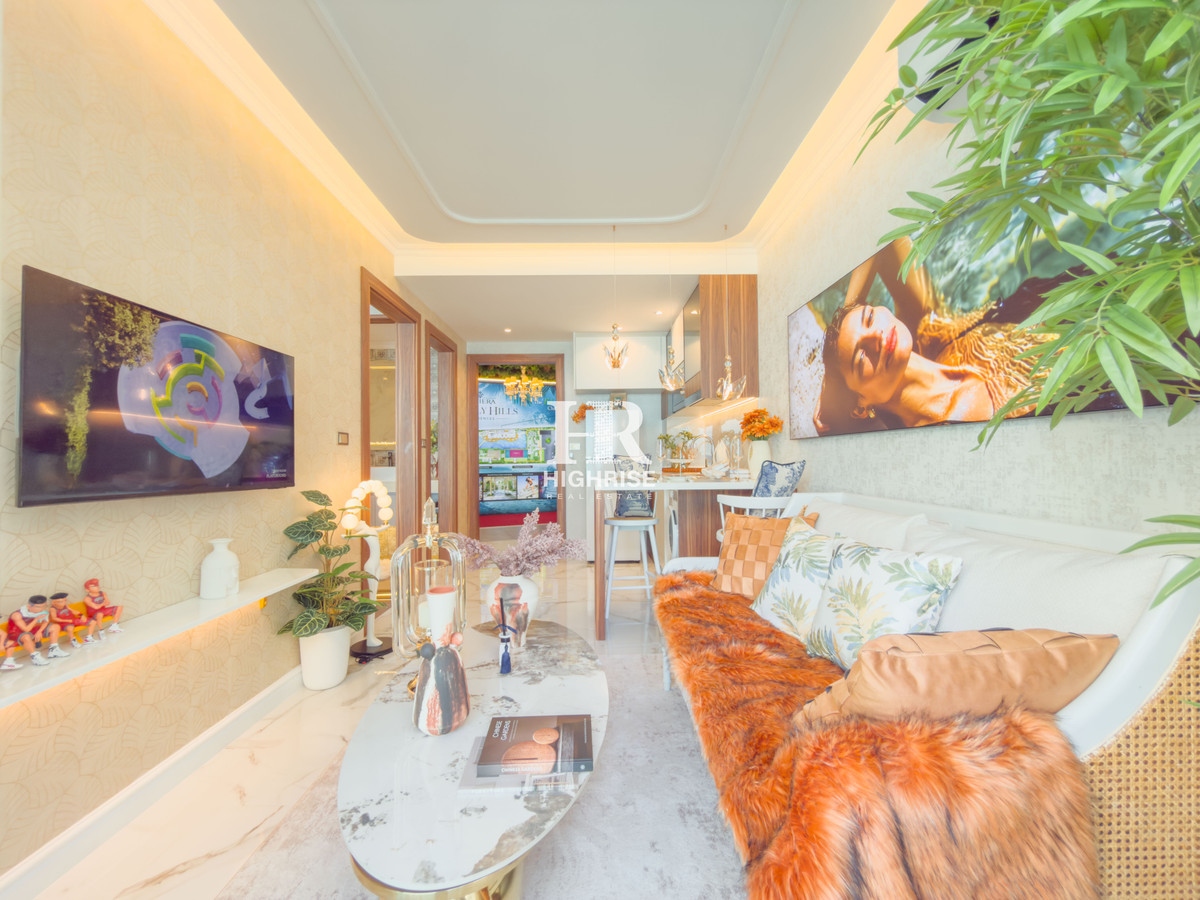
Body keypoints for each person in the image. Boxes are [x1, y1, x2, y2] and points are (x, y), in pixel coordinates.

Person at [814, 236, 1057, 436]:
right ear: (860, 406)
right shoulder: (941, 435)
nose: (876, 335)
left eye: (869, 317)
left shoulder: (933, 334)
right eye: (860, 357)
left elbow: (886, 240)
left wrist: (844, 327)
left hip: (1062, 296)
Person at [7, 595, 69, 666]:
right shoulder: (17, 615)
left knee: (55, 626)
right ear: (29, 606)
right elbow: (26, 629)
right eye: (38, 607)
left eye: (44, 606)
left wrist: (39, 632)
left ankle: (54, 649)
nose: (42, 609)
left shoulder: (42, 611)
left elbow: (45, 622)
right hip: (17, 633)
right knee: (26, 636)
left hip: (33, 629)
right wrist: (36, 619)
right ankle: (34, 656)